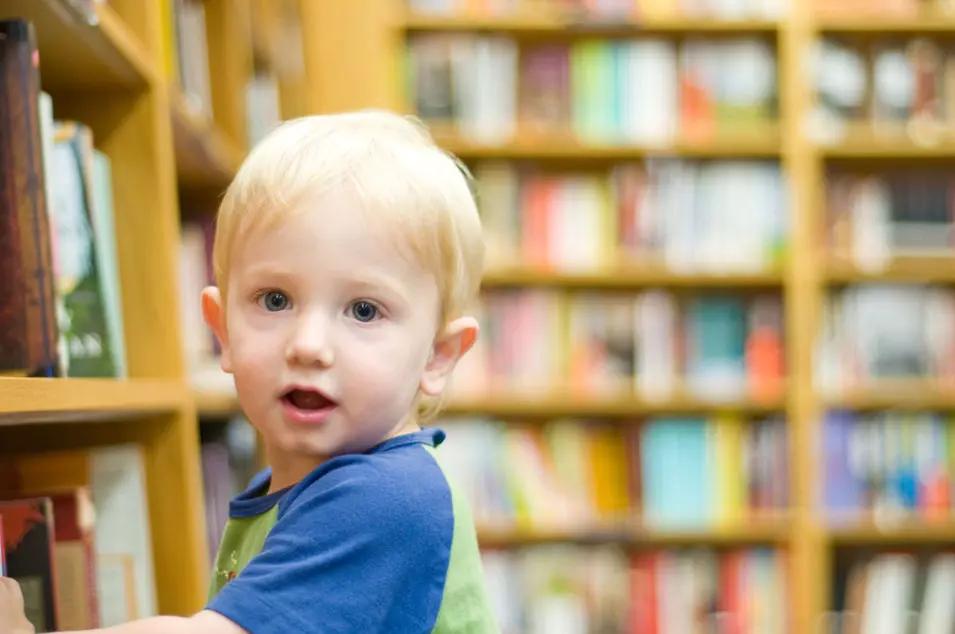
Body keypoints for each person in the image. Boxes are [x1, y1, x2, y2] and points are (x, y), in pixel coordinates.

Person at [0, 110, 498, 634]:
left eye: (364, 310)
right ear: (223, 332)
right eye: (275, 299)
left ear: (438, 357)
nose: (309, 346)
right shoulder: (284, 488)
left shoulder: (389, 499)